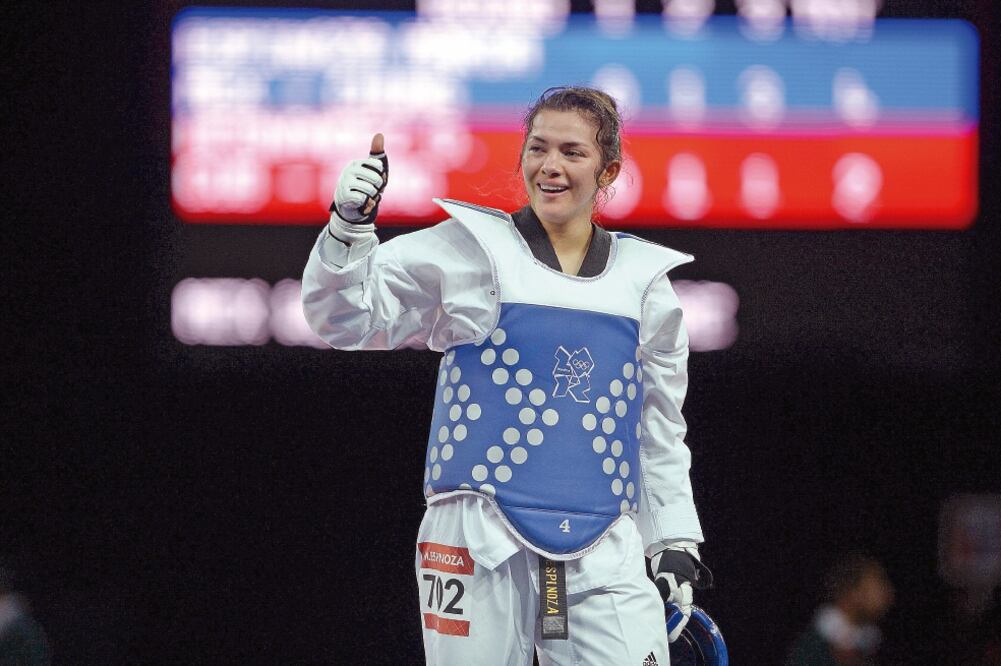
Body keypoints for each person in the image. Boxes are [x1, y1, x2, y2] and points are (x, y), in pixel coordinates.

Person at [302, 86, 710, 665]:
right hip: (475, 538)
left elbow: (659, 427)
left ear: (608, 169)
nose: (551, 166)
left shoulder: (646, 284)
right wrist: (348, 227)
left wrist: (672, 539)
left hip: (603, 544)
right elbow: (343, 319)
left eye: (573, 152)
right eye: (538, 148)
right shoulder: (469, 249)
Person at [785, 552, 894, 666]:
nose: (888, 593)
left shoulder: (869, 643)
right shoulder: (811, 648)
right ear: (854, 592)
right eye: (878, 584)